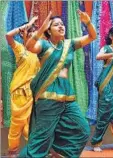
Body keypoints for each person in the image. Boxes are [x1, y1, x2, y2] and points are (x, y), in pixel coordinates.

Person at [19, 10, 96, 158]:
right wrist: (41, 28)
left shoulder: (69, 44)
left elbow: (93, 36)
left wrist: (87, 22)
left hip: (66, 95)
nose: (61, 26)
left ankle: (59, 152)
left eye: (62, 24)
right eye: (56, 25)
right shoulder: (44, 45)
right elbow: (29, 46)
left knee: (83, 129)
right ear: (48, 30)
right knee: (41, 139)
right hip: (48, 96)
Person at [5, 16, 39, 156]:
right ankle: (12, 152)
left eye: (33, 30)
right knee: (17, 124)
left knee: (31, 125)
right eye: (28, 31)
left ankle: (34, 151)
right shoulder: (20, 48)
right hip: (20, 92)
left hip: (33, 93)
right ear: (22, 33)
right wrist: (29, 24)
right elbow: (8, 36)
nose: (32, 33)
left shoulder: (39, 51)